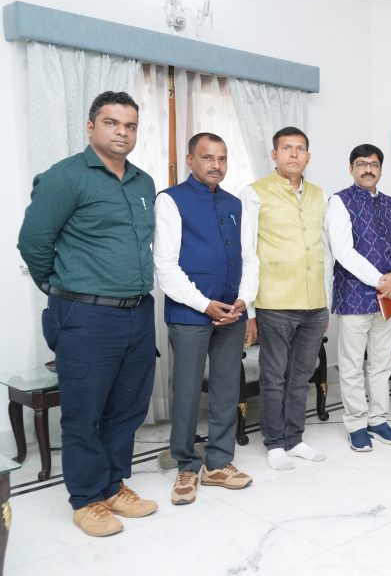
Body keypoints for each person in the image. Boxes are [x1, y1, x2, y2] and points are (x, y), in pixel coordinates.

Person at [18, 91, 158, 536]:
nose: (122, 132)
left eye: (130, 125)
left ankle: (112, 485)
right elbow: (33, 243)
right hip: (85, 315)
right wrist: (59, 287)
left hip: (138, 312)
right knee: (84, 411)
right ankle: (85, 499)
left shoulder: (143, 182)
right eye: (112, 123)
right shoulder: (64, 177)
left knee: (127, 407)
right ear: (91, 126)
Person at [155, 132, 257, 505]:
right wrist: (204, 304)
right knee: (185, 391)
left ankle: (218, 463)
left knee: (227, 389)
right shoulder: (170, 200)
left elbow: (249, 257)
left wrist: (244, 299)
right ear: (190, 160)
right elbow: (165, 266)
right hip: (190, 314)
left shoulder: (235, 204)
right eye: (207, 157)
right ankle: (186, 464)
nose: (216, 165)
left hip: (232, 313)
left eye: (222, 158)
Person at [240, 127, 328, 470]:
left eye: (300, 148)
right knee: (274, 376)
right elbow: (247, 252)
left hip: (314, 302)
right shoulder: (254, 193)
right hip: (275, 301)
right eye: (286, 148)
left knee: (300, 375)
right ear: (274, 155)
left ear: (308, 156)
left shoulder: (319, 194)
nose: (294, 153)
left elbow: (326, 250)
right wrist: (248, 308)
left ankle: (295, 438)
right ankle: (274, 443)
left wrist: (327, 300)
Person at [325, 143, 391, 451]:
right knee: (351, 364)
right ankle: (356, 424)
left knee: (381, 363)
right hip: (354, 296)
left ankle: (377, 419)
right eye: (361, 164)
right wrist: (380, 281)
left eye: (374, 164)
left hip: (390, 296)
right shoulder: (340, 201)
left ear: (381, 169)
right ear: (351, 168)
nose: (368, 169)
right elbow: (343, 251)